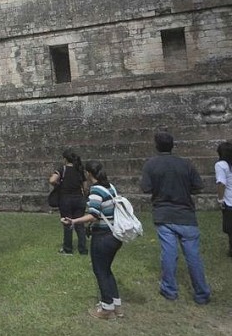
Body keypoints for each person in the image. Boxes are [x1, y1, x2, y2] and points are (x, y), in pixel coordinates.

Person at [140, 131, 211, 304]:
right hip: (185, 213)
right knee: (193, 254)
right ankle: (201, 292)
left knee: (169, 253)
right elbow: (198, 186)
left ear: (157, 146)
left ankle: (169, 289)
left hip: (164, 213)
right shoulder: (186, 164)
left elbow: (146, 188)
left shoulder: (151, 165)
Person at [61, 160, 124, 320]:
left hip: (102, 236)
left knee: (100, 271)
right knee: (107, 269)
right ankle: (116, 305)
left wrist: (74, 221)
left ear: (89, 174)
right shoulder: (111, 187)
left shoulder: (96, 190)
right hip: (114, 234)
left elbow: (94, 214)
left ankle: (106, 307)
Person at [49, 149, 88, 255]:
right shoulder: (79, 169)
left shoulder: (63, 169)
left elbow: (52, 180)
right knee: (80, 224)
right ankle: (83, 249)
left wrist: (59, 185)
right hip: (79, 199)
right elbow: (85, 187)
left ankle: (68, 249)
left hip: (66, 199)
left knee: (67, 224)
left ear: (65, 159)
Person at [215, 140, 232, 257]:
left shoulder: (221, 165)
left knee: (230, 228)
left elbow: (221, 183)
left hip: (229, 201)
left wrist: (220, 200)